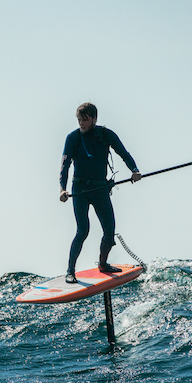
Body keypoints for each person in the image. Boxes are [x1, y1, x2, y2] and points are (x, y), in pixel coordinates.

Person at [59, 103, 142, 284]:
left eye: (85, 120)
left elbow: (123, 153)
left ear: (94, 119)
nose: (81, 123)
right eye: (79, 120)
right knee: (83, 231)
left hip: (100, 189)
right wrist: (62, 189)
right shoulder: (72, 138)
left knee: (109, 231)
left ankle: (103, 264)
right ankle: (70, 270)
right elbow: (64, 166)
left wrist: (134, 170)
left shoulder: (105, 135)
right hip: (79, 190)